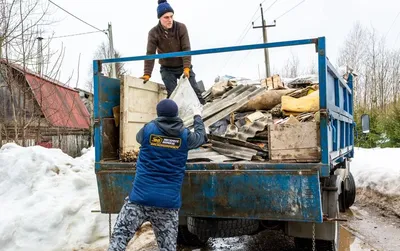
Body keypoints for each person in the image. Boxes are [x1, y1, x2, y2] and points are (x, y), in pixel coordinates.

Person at [108, 99, 207, 251]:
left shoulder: (148, 130)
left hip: (139, 200)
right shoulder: (185, 135)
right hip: (167, 204)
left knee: (119, 238)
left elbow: (138, 138)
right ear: (176, 114)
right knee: (167, 248)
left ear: (159, 113)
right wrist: (197, 116)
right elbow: (201, 137)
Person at [140, 0, 206, 105]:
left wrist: (186, 67)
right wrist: (147, 73)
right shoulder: (153, 33)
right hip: (167, 68)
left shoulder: (181, 27)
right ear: (160, 18)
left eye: (171, 16)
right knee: (173, 95)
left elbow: (186, 48)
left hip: (183, 66)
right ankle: (176, 118)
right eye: (166, 17)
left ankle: (203, 113)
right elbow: (150, 54)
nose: (170, 20)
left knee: (195, 91)